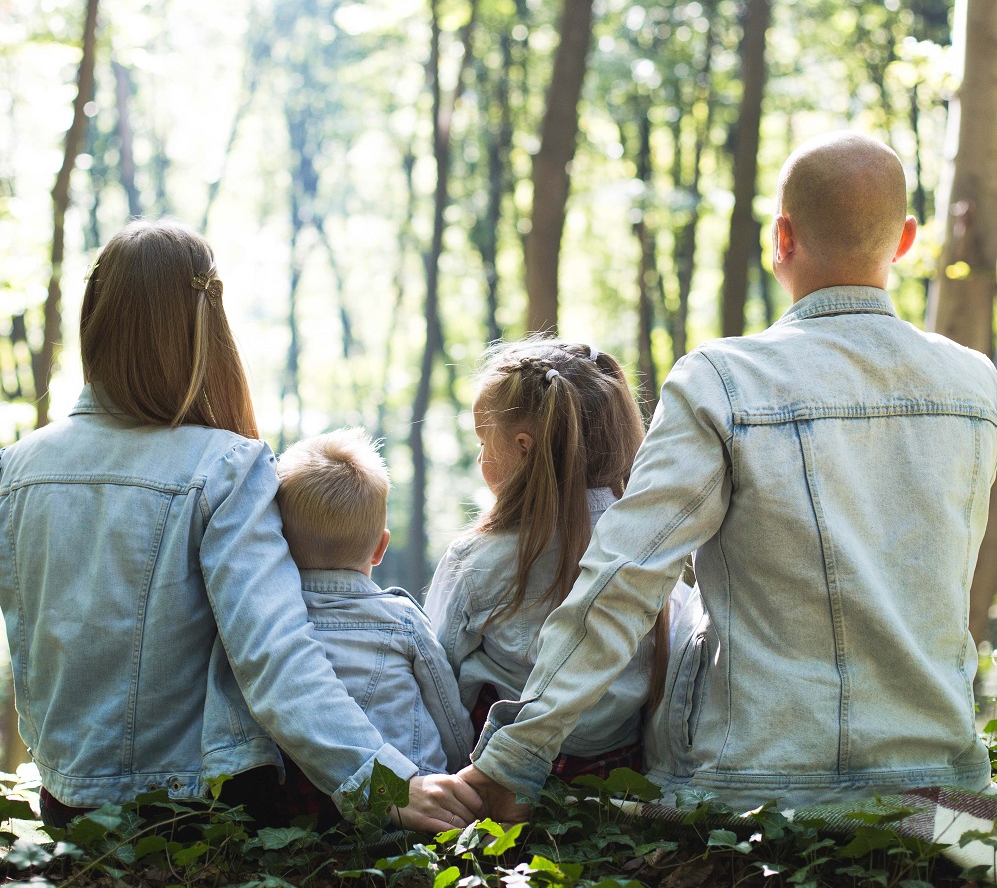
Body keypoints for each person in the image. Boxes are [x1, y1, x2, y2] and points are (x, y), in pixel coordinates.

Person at [458, 132, 997, 818]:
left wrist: (515, 757)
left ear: (780, 237)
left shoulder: (723, 381)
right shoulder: (975, 385)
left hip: (751, 784)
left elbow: (624, 577)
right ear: (905, 241)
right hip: (941, 786)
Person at [0, 219, 480, 833]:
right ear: (205, 326)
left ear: (95, 316)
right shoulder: (225, 466)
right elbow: (275, 655)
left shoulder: (17, 468)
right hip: (195, 814)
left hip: (67, 808)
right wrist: (384, 782)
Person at [425, 338, 690, 782]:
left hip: (495, 779)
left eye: (484, 441)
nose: (479, 457)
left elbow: (436, 675)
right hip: (618, 779)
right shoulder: (653, 552)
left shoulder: (476, 560)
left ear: (523, 447)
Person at [274, 428, 473, 784]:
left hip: (309, 806)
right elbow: (448, 715)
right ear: (381, 548)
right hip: (413, 798)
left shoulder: (270, 622)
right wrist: (460, 768)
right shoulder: (403, 620)